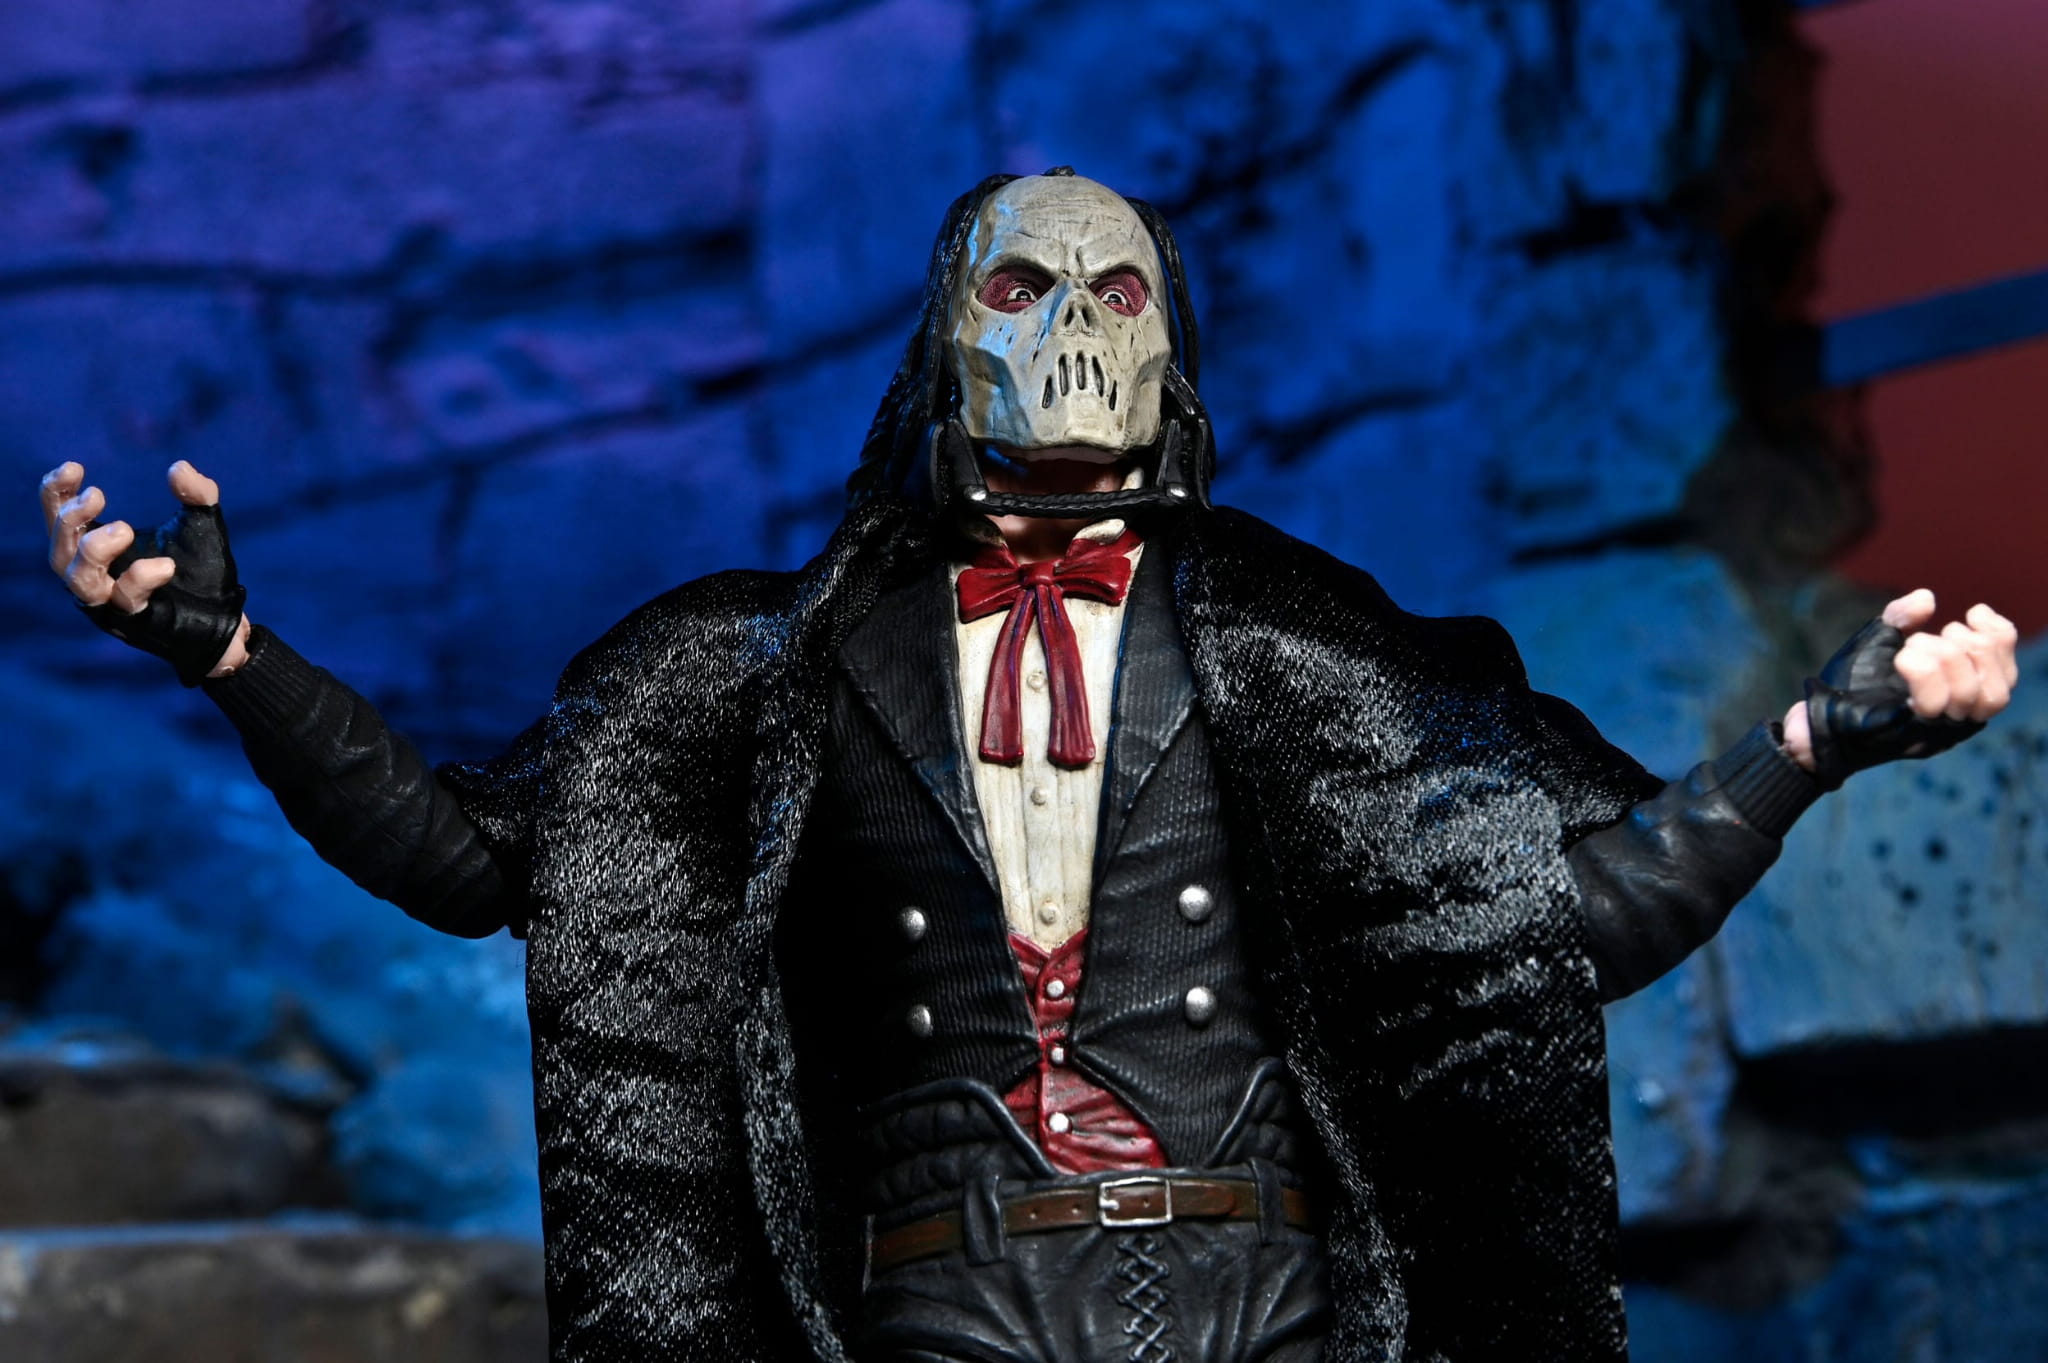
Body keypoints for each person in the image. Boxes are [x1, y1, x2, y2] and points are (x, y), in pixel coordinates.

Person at [38, 171, 2018, 1363]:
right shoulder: (773, 670)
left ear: (1168, 354)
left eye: (1114, 293)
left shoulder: (1304, 654)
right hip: (944, 1300)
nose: (1072, 331)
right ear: (944, 347)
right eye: (1022, 289)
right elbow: (482, 861)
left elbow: (1567, 926)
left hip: (1268, 1303)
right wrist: (233, 660)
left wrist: (1812, 741)